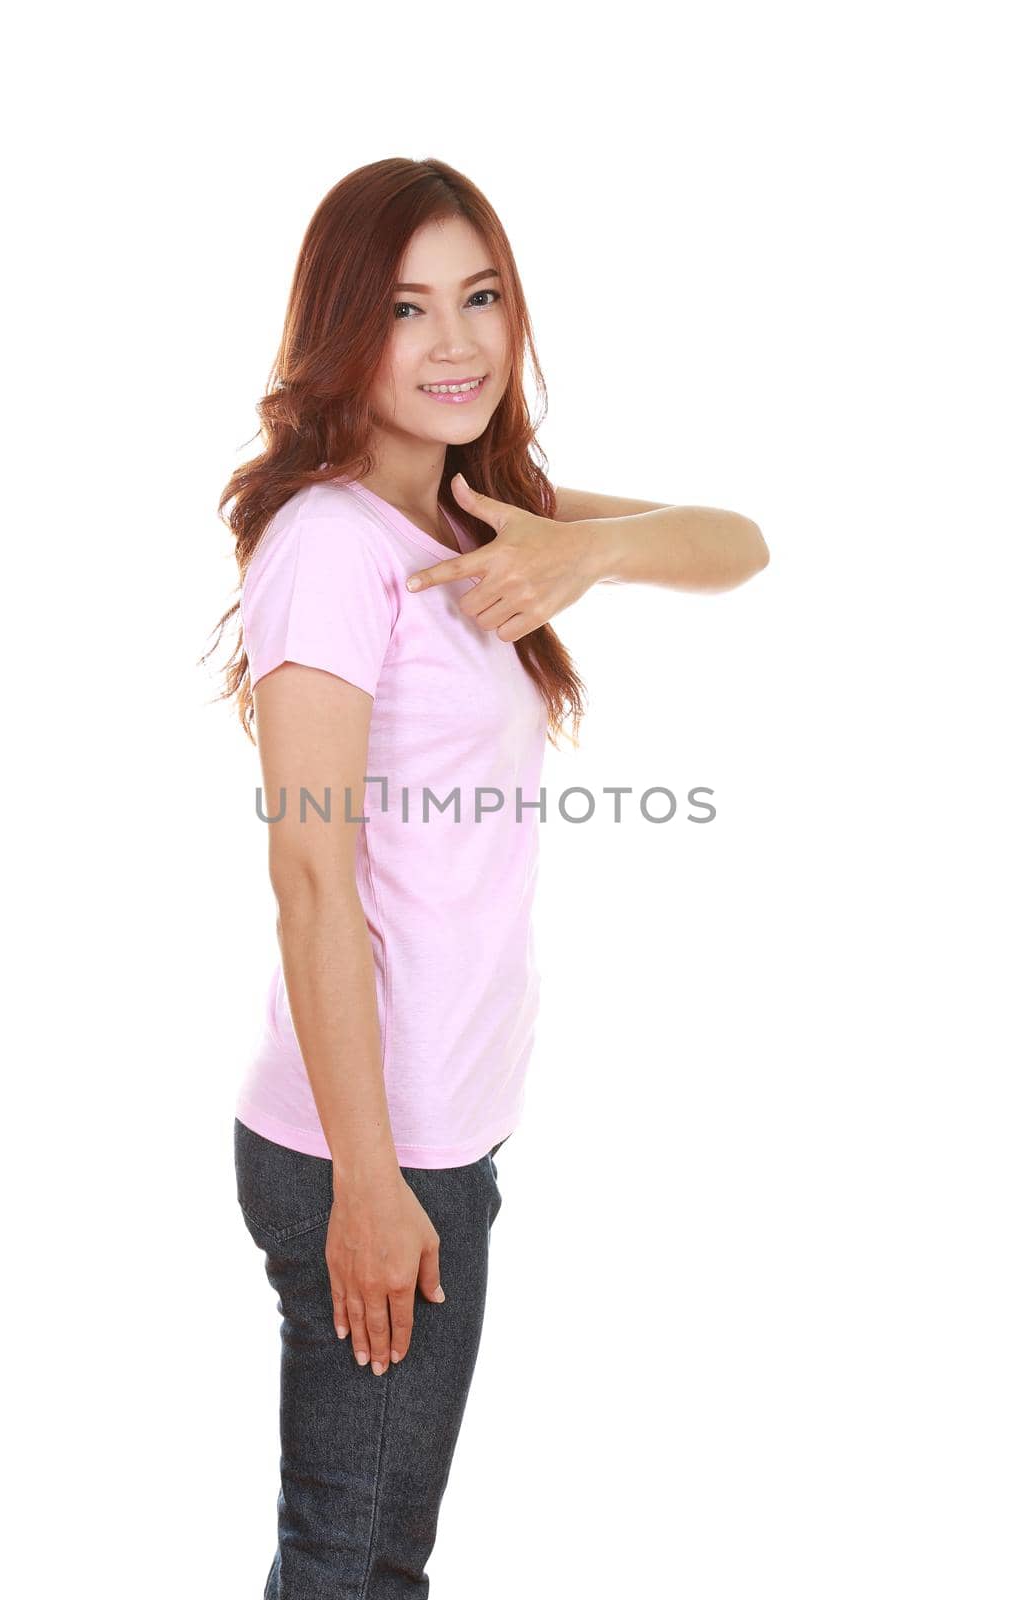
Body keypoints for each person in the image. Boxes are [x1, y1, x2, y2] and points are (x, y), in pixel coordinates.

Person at [204, 156, 768, 1599]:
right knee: (352, 1561)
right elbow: (312, 882)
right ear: (342, 330)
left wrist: (592, 550)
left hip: (437, 1128)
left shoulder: (477, 513)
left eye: (480, 296)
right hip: (369, 1146)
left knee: (375, 1552)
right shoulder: (332, 544)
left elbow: (739, 545)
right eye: (405, 308)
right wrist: (373, 1185)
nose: (453, 341)